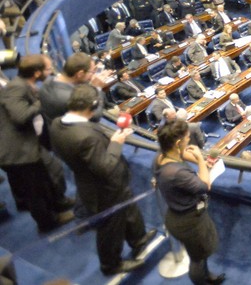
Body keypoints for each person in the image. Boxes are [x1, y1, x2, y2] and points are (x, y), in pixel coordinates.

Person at [50, 84, 156, 275]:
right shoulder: (86, 137)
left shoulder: (58, 122)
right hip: (103, 190)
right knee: (110, 228)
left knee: (130, 210)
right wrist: (116, 143)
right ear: (90, 107)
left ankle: (139, 239)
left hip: (100, 181)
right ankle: (111, 265)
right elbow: (106, 167)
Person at [0, 54, 75, 233]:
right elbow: (20, 116)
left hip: (28, 144)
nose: (50, 71)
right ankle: (47, 223)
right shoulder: (16, 88)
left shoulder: (24, 84)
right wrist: (40, 101)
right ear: (36, 73)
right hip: (18, 151)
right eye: (47, 68)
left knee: (49, 174)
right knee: (35, 192)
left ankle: (58, 204)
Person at [154, 120, 223, 284]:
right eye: (187, 138)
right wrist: (200, 160)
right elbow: (205, 186)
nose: (189, 140)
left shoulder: (162, 157)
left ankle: (207, 276)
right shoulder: (177, 173)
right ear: (178, 143)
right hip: (189, 221)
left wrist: (201, 162)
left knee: (201, 252)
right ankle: (201, 280)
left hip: (180, 216)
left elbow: (181, 154)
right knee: (197, 258)